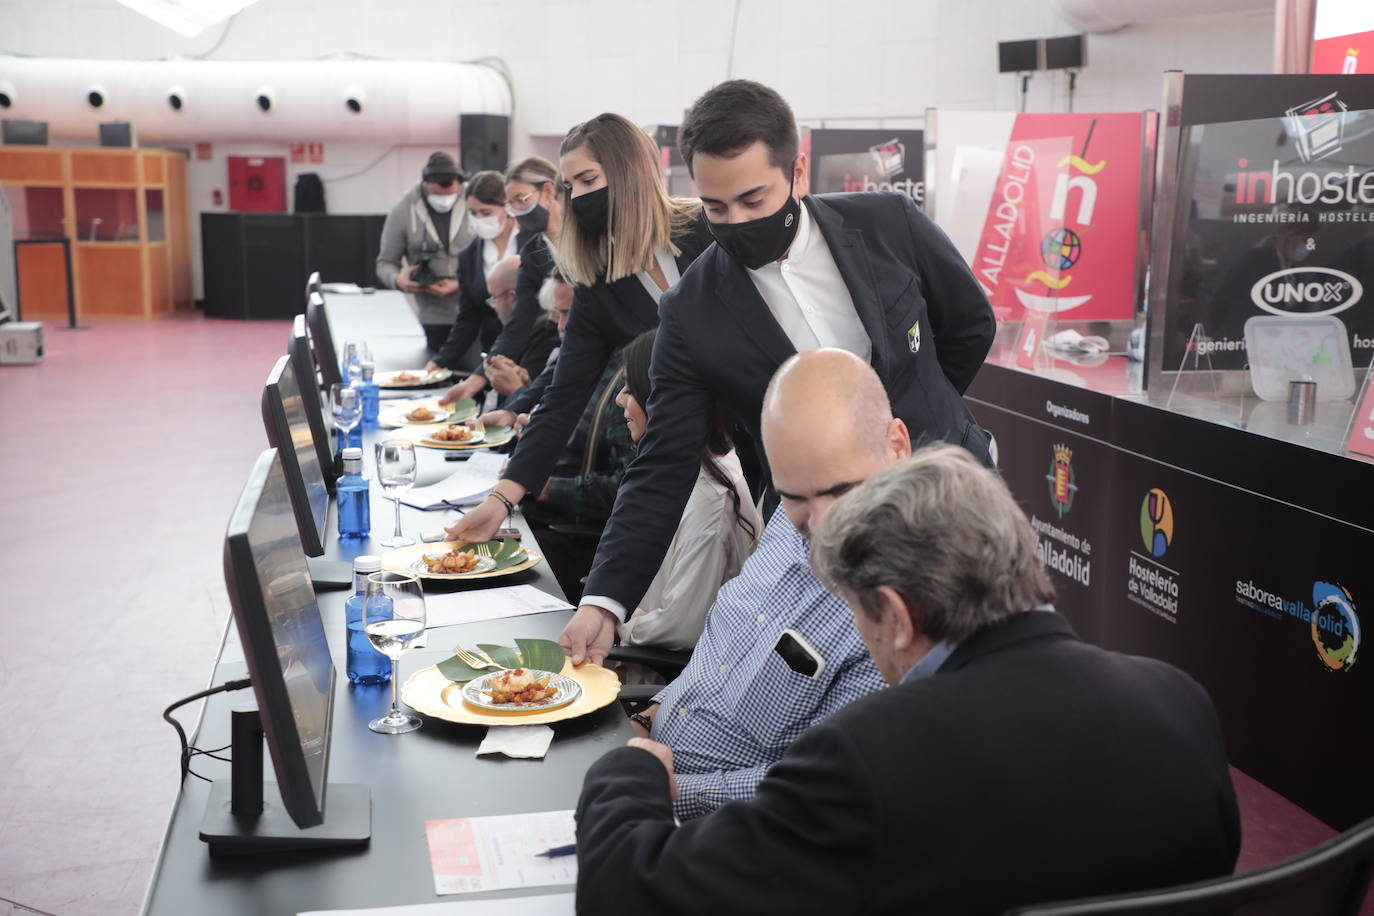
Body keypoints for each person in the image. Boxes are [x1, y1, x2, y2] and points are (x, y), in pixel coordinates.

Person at [575, 442, 1242, 916]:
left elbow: (628, 893)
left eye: (859, 615)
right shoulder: (1181, 703)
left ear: (894, 615)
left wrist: (626, 773)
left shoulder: (870, 756)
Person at [537, 80, 997, 666]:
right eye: (715, 208)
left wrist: (905, 420)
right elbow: (663, 462)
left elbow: (969, 326)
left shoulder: (888, 223)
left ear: (797, 173)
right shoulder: (692, 310)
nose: (735, 223)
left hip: (951, 490)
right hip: (819, 542)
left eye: (755, 202)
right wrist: (603, 602)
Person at [624, 350, 899, 817]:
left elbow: (817, 784)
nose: (821, 522)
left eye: (840, 491)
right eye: (795, 496)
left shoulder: (895, 613)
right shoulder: (784, 529)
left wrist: (669, 791)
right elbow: (717, 655)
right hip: (643, 759)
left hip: (711, 831)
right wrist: (648, 717)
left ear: (898, 446)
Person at [442, 114, 714, 558]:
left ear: (630, 169)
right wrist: (502, 499)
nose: (581, 197)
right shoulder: (597, 280)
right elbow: (563, 397)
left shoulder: (705, 229)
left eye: (589, 179)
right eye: (571, 187)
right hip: (680, 457)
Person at [614, 329, 760, 650]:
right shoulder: (681, 471)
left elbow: (681, 628)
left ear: (661, 397)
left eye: (629, 388)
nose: (619, 399)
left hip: (654, 684)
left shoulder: (710, 499)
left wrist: (615, 625)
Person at [440, 156, 562, 405]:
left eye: (522, 200)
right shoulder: (532, 251)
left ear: (548, 191)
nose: (517, 211)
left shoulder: (587, 242)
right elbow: (518, 324)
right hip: (549, 354)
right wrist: (477, 379)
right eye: (512, 204)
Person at [427, 170, 529, 374]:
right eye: (473, 213)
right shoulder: (468, 257)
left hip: (531, 350)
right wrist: (440, 361)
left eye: (486, 213)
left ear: (507, 207)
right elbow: (468, 318)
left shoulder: (531, 243)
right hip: (492, 354)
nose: (479, 219)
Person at [375, 151, 475, 352]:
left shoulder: (474, 204)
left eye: (451, 194)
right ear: (425, 183)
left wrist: (459, 283)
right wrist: (397, 280)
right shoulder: (403, 210)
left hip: (475, 308)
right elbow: (385, 262)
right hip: (433, 315)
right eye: (439, 194)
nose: (445, 200)